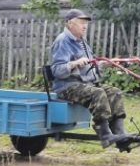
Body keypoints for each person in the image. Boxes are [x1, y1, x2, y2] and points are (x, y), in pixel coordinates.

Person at [51, 8, 128, 147]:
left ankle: (119, 133)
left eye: (86, 22)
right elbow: (57, 70)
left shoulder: (81, 42)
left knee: (114, 92)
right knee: (97, 93)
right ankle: (104, 133)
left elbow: (91, 65)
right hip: (67, 86)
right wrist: (73, 64)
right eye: (81, 22)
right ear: (69, 24)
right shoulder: (63, 41)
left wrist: (108, 63)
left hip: (84, 84)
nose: (85, 26)